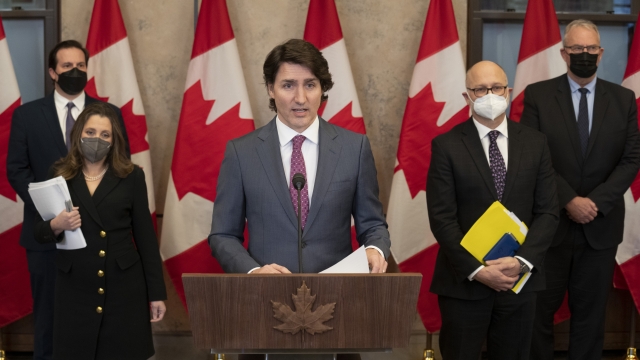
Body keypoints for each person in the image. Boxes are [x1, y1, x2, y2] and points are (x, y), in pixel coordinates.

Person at [208, 38, 390, 275]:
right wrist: (253, 272)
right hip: (266, 298)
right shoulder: (241, 153)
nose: (301, 98)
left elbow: (373, 223)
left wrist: (375, 248)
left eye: (310, 85)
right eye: (288, 85)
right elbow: (223, 235)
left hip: (337, 296)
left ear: (322, 88)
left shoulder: (354, 148)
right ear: (271, 89)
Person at [521, 19, 640, 360]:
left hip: (600, 227)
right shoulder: (539, 96)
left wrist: (595, 202)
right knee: (537, 313)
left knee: (591, 317)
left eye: (590, 49)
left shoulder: (623, 99)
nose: (584, 55)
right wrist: (569, 199)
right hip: (550, 226)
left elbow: (631, 159)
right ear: (563, 53)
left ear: (601, 54)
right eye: (576, 49)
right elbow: (533, 155)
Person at [6, 39, 130, 360]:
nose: (75, 71)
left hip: (98, 238)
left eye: (80, 66)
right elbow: (17, 171)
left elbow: (121, 169)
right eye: (66, 66)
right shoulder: (27, 116)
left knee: (96, 320)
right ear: (52, 72)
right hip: (46, 237)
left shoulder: (109, 114)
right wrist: (52, 215)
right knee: (48, 319)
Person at [426, 61, 558, 360]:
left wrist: (522, 261)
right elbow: (442, 218)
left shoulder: (536, 143)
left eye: (496, 87)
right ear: (467, 96)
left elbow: (549, 212)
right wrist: (479, 271)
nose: (489, 94)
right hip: (464, 284)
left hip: (519, 282)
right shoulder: (446, 146)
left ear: (508, 92)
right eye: (480, 89)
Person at [32, 102, 166, 360]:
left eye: (105, 135)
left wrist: (157, 294)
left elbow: (146, 240)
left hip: (123, 287)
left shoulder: (131, 176)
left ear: (114, 139)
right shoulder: (59, 174)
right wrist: (57, 224)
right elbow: (39, 230)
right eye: (91, 132)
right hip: (75, 288)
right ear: (79, 132)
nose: (97, 139)